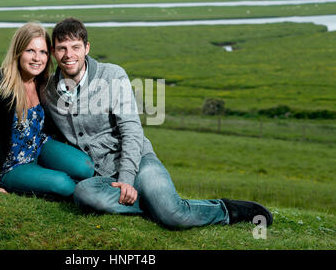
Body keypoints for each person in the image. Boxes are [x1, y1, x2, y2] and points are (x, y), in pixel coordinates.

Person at [41, 17, 273, 229]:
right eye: (61, 48)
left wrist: (126, 180)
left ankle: (226, 210)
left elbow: (131, 130)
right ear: (53, 52)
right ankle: (159, 205)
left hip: (138, 161)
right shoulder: (48, 91)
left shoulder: (112, 76)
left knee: (174, 217)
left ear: (87, 48)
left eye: (75, 47)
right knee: (84, 195)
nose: (68, 54)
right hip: (98, 177)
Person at [0, 22, 94, 197]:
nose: (37, 58)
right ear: (18, 51)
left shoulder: (41, 82)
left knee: (86, 167)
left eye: (43, 52)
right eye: (30, 51)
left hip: (41, 146)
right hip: (13, 165)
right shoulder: (0, 86)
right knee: (64, 184)